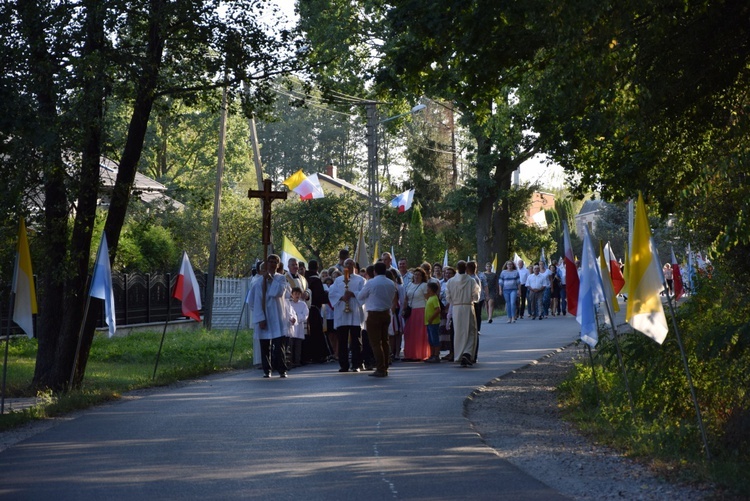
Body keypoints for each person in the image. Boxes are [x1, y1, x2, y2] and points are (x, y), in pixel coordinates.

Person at [250, 254, 292, 378]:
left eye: (275, 262)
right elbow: (254, 302)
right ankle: (266, 369)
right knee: (265, 346)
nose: (272, 264)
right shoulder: (257, 282)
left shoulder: (281, 279)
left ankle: (281, 369)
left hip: (277, 316)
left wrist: (270, 280)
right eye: (270, 261)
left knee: (279, 346)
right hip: (265, 316)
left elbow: (278, 293)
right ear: (266, 264)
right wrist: (260, 318)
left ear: (278, 265)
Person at [356, 262, 397, 377]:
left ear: (374, 271)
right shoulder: (391, 283)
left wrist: (355, 292)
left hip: (374, 314)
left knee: (375, 342)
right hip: (386, 313)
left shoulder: (371, 282)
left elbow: (360, 296)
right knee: (385, 340)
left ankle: (380, 367)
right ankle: (385, 365)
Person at [327, 258, 366, 372]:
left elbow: (364, 293)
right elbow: (332, 293)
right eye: (346, 264)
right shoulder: (338, 280)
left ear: (354, 266)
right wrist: (341, 297)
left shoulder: (361, 280)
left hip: (355, 312)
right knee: (342, 340)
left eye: (350, 264)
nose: (348, 266)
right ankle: (343, 365)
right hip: (342, 312)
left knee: (355, 340)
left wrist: (353, 294)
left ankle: (356, 364)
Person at [445, 260, 480, 367]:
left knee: (459, 332)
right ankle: (467, 353)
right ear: (465, 268)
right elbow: (476, 297)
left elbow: (448, 297)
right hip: (468, 306)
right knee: (470, 331)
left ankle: (459, 355)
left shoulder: (450, 281)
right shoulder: (471, 281)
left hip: (456, 308)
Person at [302, 260, 329, 364]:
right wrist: (326, 295)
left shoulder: (304, 278)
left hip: (305, 308)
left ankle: (307, 355)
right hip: (314, 310)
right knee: (316, 333)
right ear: (317, 268)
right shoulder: (316, 280)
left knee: (308, 333)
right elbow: (319, 297)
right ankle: (318, 355)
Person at [401, 267, 431, 361]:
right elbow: (406, 298)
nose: (417, 276)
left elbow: (428, 299)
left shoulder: (424, 285)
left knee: (419, 333)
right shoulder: (409, 284)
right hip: (411, 310)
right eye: (415, 274)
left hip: (420, 310)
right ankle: (409, 354)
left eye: (419, 275)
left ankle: (419, 354)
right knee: (409, 333)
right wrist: (404, 309)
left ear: (422, 277)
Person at [287, 287, 308, 368]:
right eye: (295, 294)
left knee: (298, 346)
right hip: (291, 328)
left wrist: (297, 318)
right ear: (292, 295)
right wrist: (292, 319)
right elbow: (288, 313)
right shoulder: (289, 304)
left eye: (298, 294)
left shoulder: (303, 304)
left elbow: (305, 315)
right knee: (290, 345)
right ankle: (290, 361)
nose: (297, 295)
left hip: (299, 328)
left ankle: (297, 361)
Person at [424, 281, 442, 363]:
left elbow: (438, 309)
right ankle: (432, 355)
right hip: (428, 323)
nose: (426, 289)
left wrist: (431, 318)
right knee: (431, 339)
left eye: (428, 288)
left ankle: (436, 355)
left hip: (433, 322)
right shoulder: (430, 298)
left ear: (431, 289)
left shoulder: (434, 298)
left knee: (435, 339)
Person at [467, 261, 486, 335]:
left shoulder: (474, 278)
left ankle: (477, 328)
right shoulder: (469, 277)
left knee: (477, 313)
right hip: (474, 298)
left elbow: (476, 291)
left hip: (477, 299)